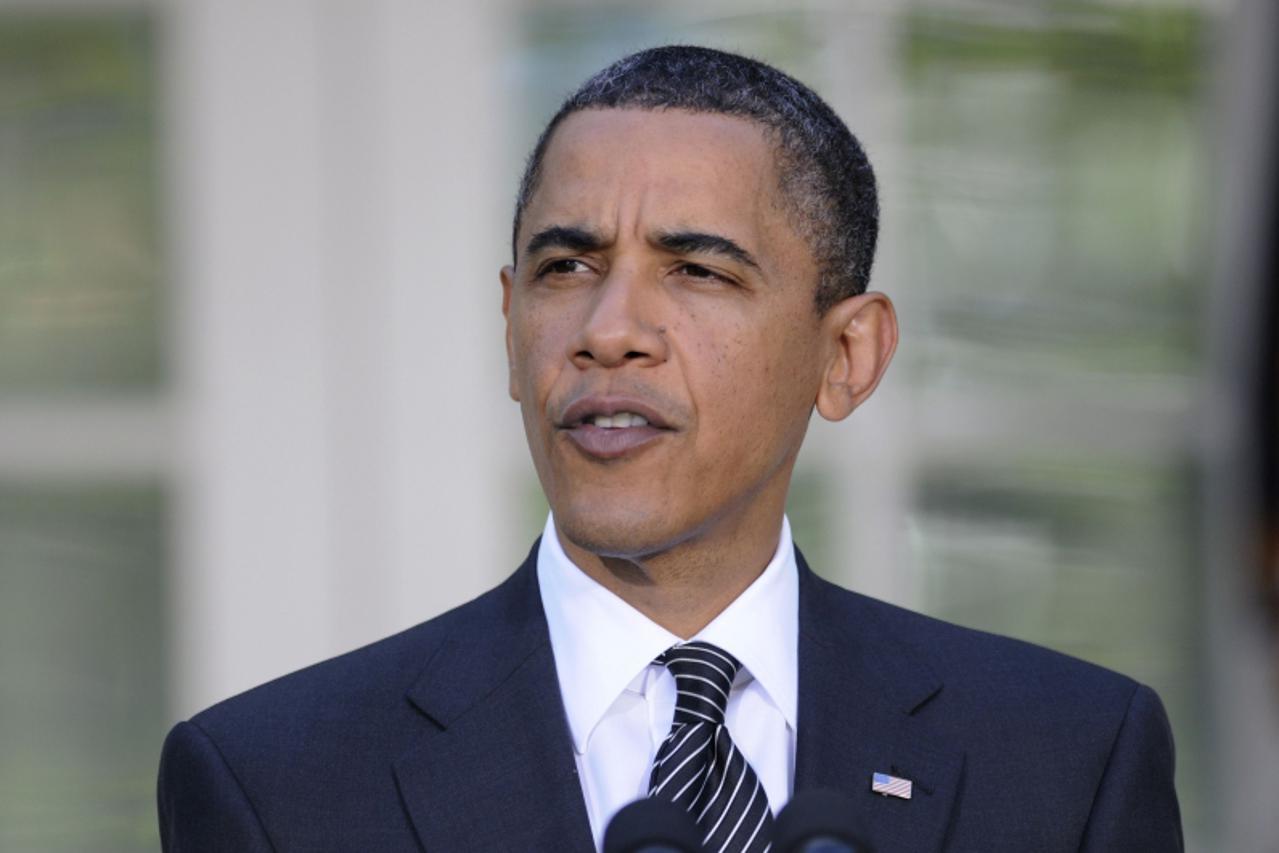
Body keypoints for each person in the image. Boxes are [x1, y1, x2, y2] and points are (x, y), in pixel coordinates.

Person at [156, 46, 1183, 852]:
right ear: (510, 324)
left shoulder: (1067, 757)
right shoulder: (275, 781)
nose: (608, 329)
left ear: (846, 354)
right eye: (566, 266)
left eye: (695, 270)